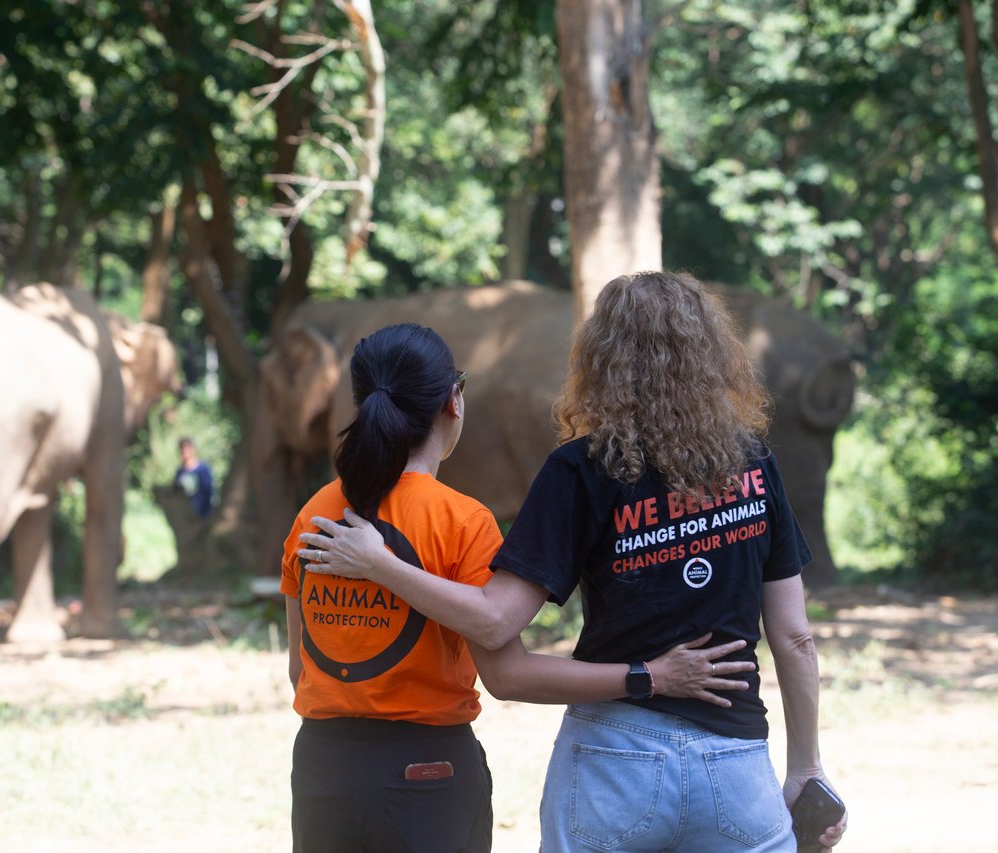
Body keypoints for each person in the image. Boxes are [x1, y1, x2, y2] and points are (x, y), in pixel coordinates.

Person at [299, 273, 848, 852]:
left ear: (599, 362)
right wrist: (806, 770)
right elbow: (795, 638)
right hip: (737, 767)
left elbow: (496, 622)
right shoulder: (756, 465)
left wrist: (380, 564)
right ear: (714, 357)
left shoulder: (581, 468)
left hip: (613, 761)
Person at [173, 437, 213, 518]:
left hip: (201, 513)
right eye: (182, 449)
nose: (184, 451)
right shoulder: (180, 472)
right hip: (184, 516)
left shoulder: (203, 469)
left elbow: (208, 491)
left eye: (186, 448)